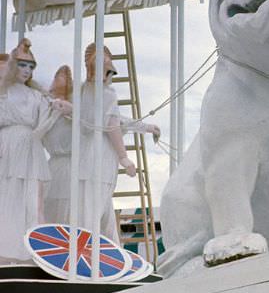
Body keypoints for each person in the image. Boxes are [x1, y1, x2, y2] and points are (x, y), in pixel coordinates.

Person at [42, 65, 159, 228]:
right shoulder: (46, 110)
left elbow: (112, 120)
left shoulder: (81, 111)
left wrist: (144, 127)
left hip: (78, 168)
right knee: (60, 217)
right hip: (60, 171)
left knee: (87, 217)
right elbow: (111, 120)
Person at [0, 40, 62, 263]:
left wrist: (56, 112)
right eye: (22, 65)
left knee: (34, 202)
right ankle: (5, 251)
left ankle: (34, 252)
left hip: (30, 146)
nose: (26, 70)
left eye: (30, 66)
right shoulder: (3, 92)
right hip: (7, 145)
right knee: (6, 198)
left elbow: (42, 128)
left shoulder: (37, 96)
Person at [74, 44, 140, 243]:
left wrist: (145, 127)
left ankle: (107, 247)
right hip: (101, 156)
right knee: (96, 212)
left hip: (86, 155)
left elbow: (116, 121)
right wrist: (124, 158)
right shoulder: (107, 93)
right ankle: (90, 250)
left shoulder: (83, 91)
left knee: (96, 210)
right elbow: (113, 125)